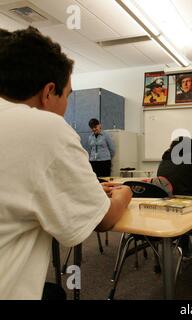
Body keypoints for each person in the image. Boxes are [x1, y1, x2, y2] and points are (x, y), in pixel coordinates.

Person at [0, 27, 132, 299]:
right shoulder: (47, 128)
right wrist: (126, 193)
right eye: (68, 94)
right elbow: (104, 219)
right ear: (49, 92)